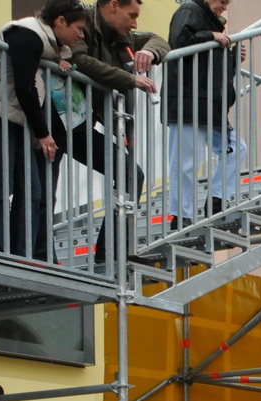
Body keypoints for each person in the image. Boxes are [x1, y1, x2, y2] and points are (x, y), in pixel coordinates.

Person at [0, 0, 85, 260]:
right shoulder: (27, 33)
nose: (81, 34)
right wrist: (43, 133)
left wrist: (58, 59)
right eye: (78, 27)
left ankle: (22, 254)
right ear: (60, 21)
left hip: (12, 114)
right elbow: (24, 87)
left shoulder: (44, 41)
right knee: (1, 183)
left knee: (31, 189)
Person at [70, 0, 168, 263]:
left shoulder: (120, 35)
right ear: (113, 5)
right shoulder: (82, 23)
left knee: (131, 174)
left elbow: (158, 38)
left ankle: (112, 252)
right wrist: (128, 79)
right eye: (132, 15)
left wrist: (150, 52)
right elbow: (78, 60)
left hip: (82, 119)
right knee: (45, 187)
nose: (135, 22)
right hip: (61, 118)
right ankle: (40, 256)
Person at [162, 0, 240, 224]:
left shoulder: (209, 21)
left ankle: (216, 198)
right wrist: (212, 36)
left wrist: (234, 59)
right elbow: (179, 42)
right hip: (188, 102)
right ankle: (181, 215)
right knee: (185, 162)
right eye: (222, 1)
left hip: (208, 105)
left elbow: (215, 70)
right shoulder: (190, 9)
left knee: (236, 148)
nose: (224, 7)